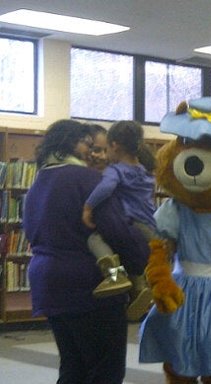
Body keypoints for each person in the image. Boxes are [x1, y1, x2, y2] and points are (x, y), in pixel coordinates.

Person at [22, 119, 149, 384]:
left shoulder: (37, 184)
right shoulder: (88, 179)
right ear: (69, 142)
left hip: (49, 284)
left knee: (73, 366)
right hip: (91, 287)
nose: (91, 151)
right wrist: (143, 261)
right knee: (105, 371)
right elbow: (116, 229)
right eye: (86, 144)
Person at [82, 120, 156, 321]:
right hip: (150, 227)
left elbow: (105, 189)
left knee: (95, 240)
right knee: (135, 263)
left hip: (131, 224)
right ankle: (140, 290)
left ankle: (113, 276)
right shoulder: (143, 170)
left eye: (105, 149)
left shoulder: (115, 171)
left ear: (114, 145)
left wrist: (88, 207)